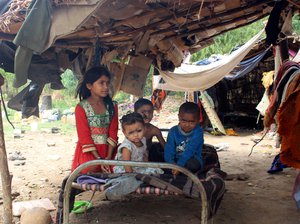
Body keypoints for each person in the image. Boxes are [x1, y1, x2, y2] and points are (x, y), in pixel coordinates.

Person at [71, 66, 118, 174]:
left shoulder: (113, 105)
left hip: (109, 150)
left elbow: (113, 132)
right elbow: (84, 137)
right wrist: (99, 160)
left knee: (118, 168)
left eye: (107, 83)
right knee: (89, 169)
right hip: (90, 152)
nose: (106, 87)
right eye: (101, 83)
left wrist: (108, 157)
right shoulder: (81, 107)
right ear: (89, 86)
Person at [164, 102, 204, 175]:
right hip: (175, 161)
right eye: (184, 121)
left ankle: (179, 172)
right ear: (179, 117)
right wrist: (172, 164)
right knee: (165, 165)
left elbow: (190, 151)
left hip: (191, 159)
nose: (187, 125)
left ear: (198, 120)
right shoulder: (173, 131)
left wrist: (179, 166)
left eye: (191, 122)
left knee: (192, 165)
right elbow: (169, 149)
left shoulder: (198, 132)